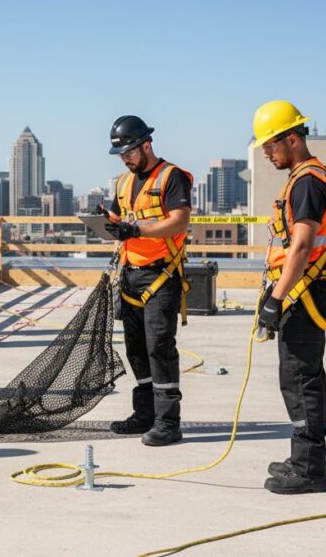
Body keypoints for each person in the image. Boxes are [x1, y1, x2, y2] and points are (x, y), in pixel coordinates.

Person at [253, 100, 326, 494]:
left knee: (300, 379)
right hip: (307, 289)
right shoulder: (305, 176)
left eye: (271, 145)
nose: (266, 153)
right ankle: (302, 458)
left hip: (304, 292)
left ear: (292, 139)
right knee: (298, 377)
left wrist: (276, 298)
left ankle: (309, 470)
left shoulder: (308, 181)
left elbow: (303, 245)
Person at [103, 115, 193, 446]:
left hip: (161, 275)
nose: (125, 158)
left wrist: (135, 229)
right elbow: (118, 218)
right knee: (136, 349)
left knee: (159, 348)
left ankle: (168, 422)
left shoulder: (172, 177)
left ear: (146, 145)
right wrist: (109, 225)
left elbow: (179, 222)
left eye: (129, 151)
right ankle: (145, 415)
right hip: (130, 274)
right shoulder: (123, 183)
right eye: (120, 154)